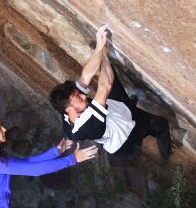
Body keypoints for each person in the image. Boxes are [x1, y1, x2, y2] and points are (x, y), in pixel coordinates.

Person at [49, 24, 172, 161]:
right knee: (161, 125)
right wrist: (104, 56)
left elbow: (86, 76)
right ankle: (166, 157)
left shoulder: (67, 108)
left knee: (108, 75)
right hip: (126, 136)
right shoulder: (85, 127)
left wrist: (99, 47)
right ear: (69, 109)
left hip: (115, 108)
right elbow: (104, 86)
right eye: (78, 97)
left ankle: (131, 103)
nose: (84, 95)